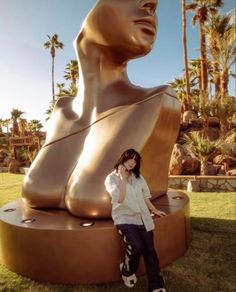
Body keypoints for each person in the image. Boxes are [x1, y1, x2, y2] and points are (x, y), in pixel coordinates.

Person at [104, 149, 166, 292]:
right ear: (123, 159)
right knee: (137, 246)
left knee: (150, 251)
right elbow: (119, 198)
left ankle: (156, 285)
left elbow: (145, 197)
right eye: (130, 159)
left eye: (135, 160)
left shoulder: (139, 177)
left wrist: (154, 210)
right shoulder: (111, 178)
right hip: (125, 217)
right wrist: (122, 179)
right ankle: (126, 270)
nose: (132, 163)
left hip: (143, 218)